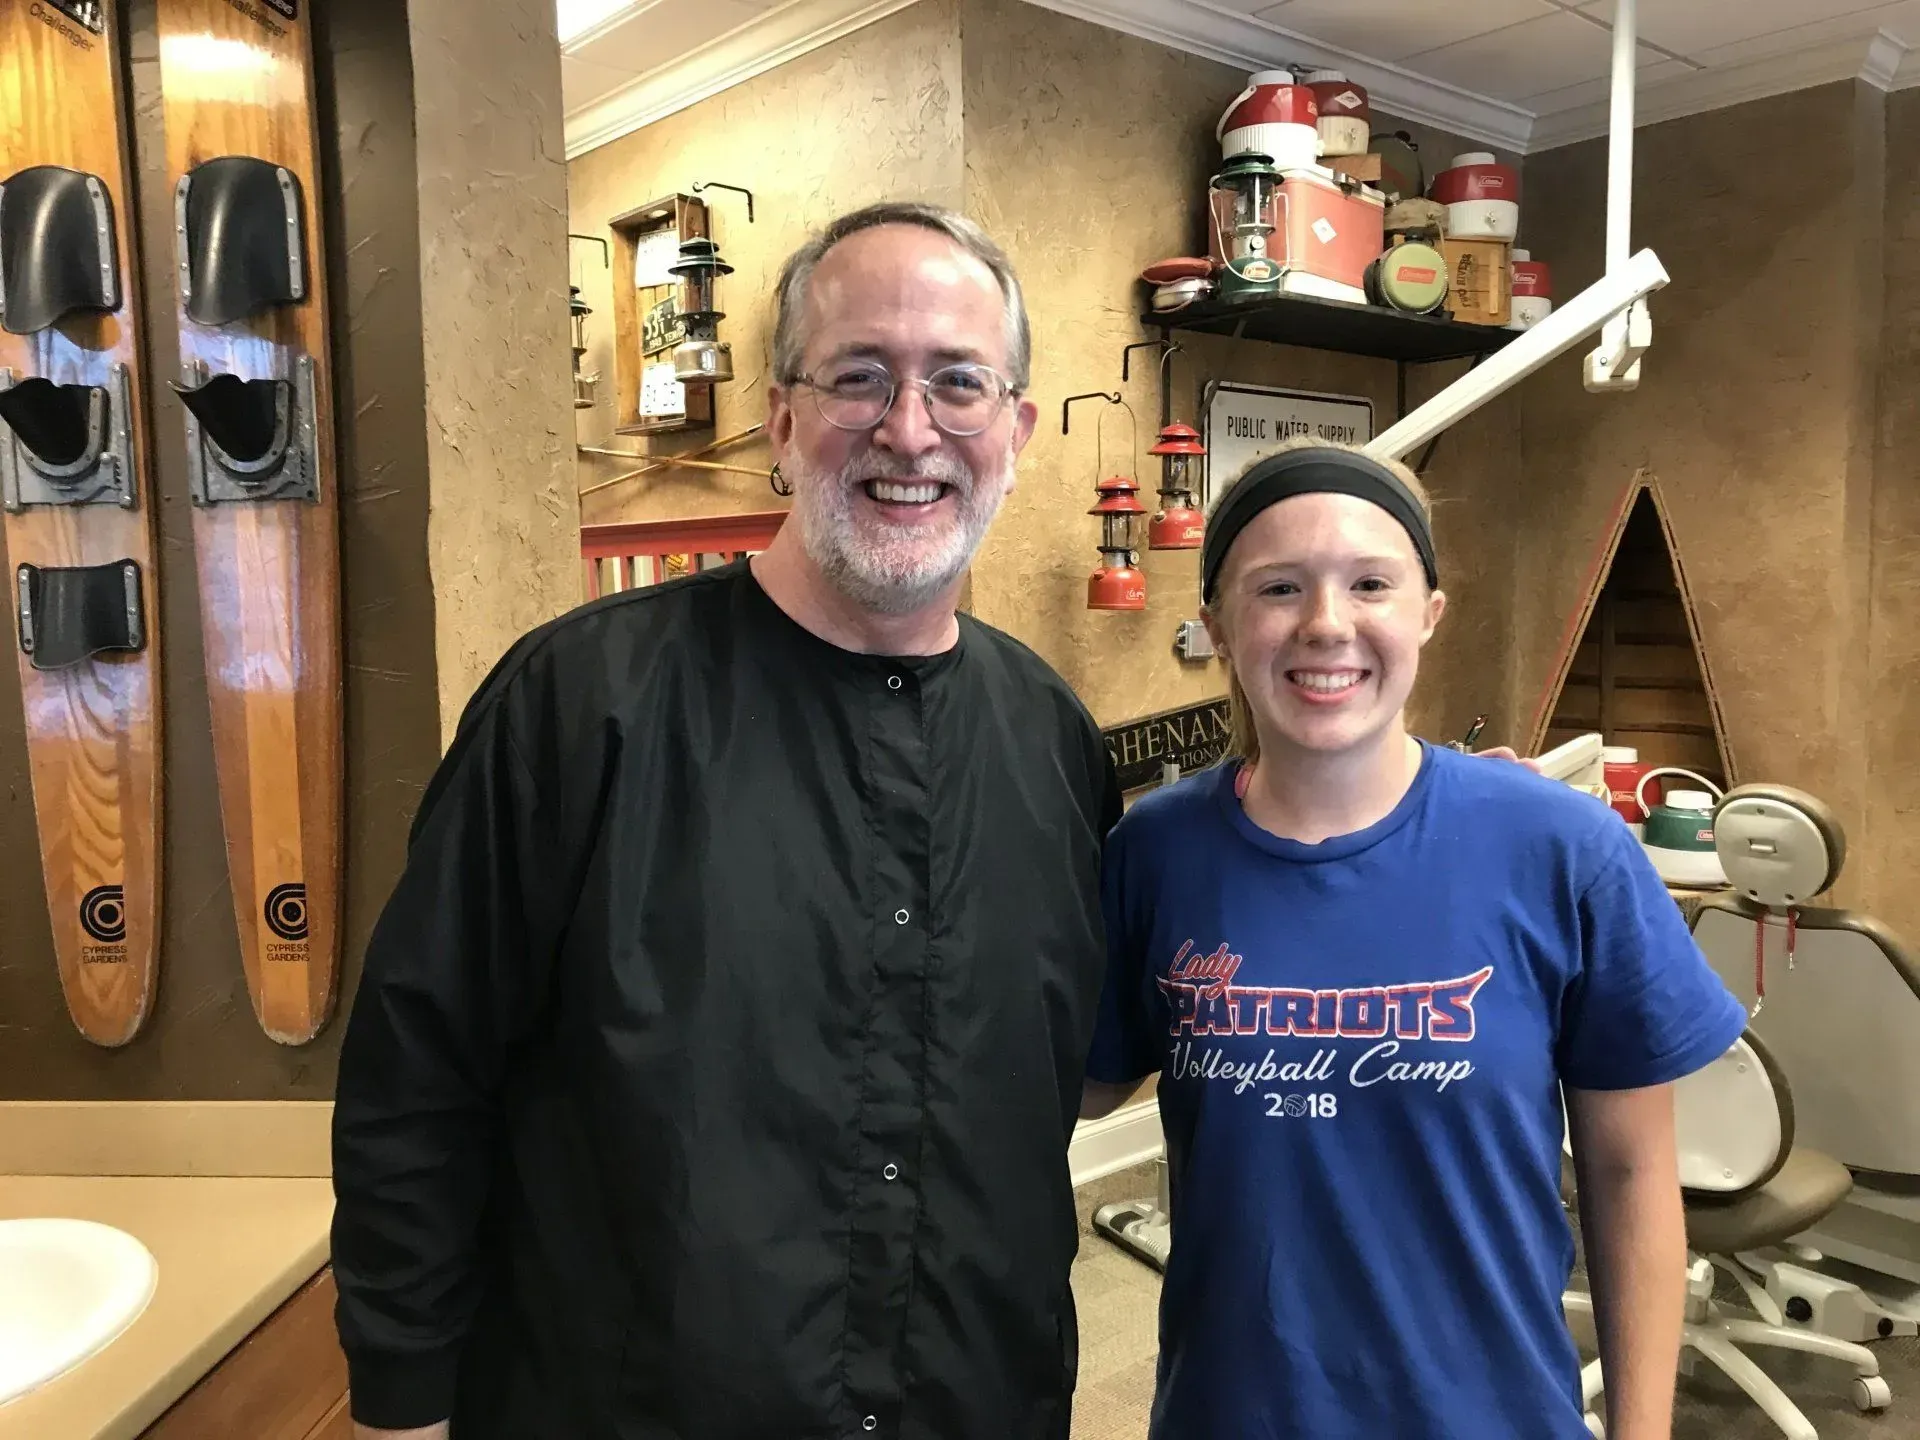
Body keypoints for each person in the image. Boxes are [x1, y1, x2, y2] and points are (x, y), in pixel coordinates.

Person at [330, 202, 1122, 1440]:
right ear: (784, 418)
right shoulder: (579, 704)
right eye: (861, 376)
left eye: (958, 383)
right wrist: (402, 1406)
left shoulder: (1057, 741)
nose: (909, 430)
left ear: (1016, 431)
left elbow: (1080, 1065)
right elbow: (418, 1079)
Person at [1080, 440, 1748, 1440]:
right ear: (1219, 626)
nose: (1325, 625)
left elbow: (1631, 1176)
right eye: (1278, 588)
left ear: (1427, 613)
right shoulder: (1156, 856)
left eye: (1369, 584)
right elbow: (1053, 1091)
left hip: (1489, 1416)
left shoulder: (1559, 851)